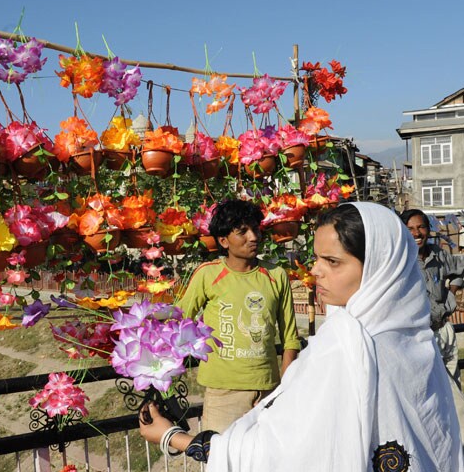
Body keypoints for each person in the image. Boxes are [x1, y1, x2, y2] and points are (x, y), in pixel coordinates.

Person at [141, 203, 463, 471]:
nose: (315, 271)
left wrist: (173, 437)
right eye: (317, 258)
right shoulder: (412, 338)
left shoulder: (346, 344)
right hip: (227, 388)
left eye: (332, 261)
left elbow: (279, 454)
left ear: (380, 267)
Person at [177, 199, 301, 432]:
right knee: (221, 461)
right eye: (242, 232)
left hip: (269, 391)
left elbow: (290, 338)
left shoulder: (276, 275)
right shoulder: (207, 274)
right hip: (222, 394)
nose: (253, 237)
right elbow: (180, 319)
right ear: (223, 241)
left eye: (255, 229)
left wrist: (284, 389)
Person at [400, 209, 464, 384]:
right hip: (419, 336)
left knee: (454, 389)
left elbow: (460, 270)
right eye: (410, 228)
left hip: (444, 329)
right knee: (428, 389)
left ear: (428, 229)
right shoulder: (401, 261)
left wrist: (451, 294)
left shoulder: (438, 253)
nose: (416, 233)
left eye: (421, 227)